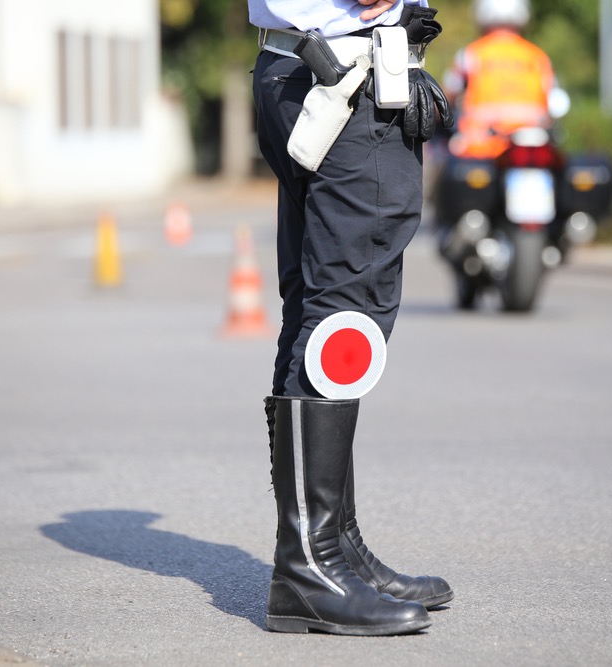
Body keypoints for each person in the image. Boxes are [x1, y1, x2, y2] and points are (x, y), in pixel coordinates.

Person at [249, 0, 454, 636]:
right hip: (339, 79)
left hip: (305, 70)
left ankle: (331, 546)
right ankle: (312, 565)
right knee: (343, 322)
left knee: (319, 312)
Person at [443, 0, 555, 160]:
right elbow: (552, 101)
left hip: (481, 146)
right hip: (532, 147)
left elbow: (447, 96)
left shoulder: (471, 54)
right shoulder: (537, 56)